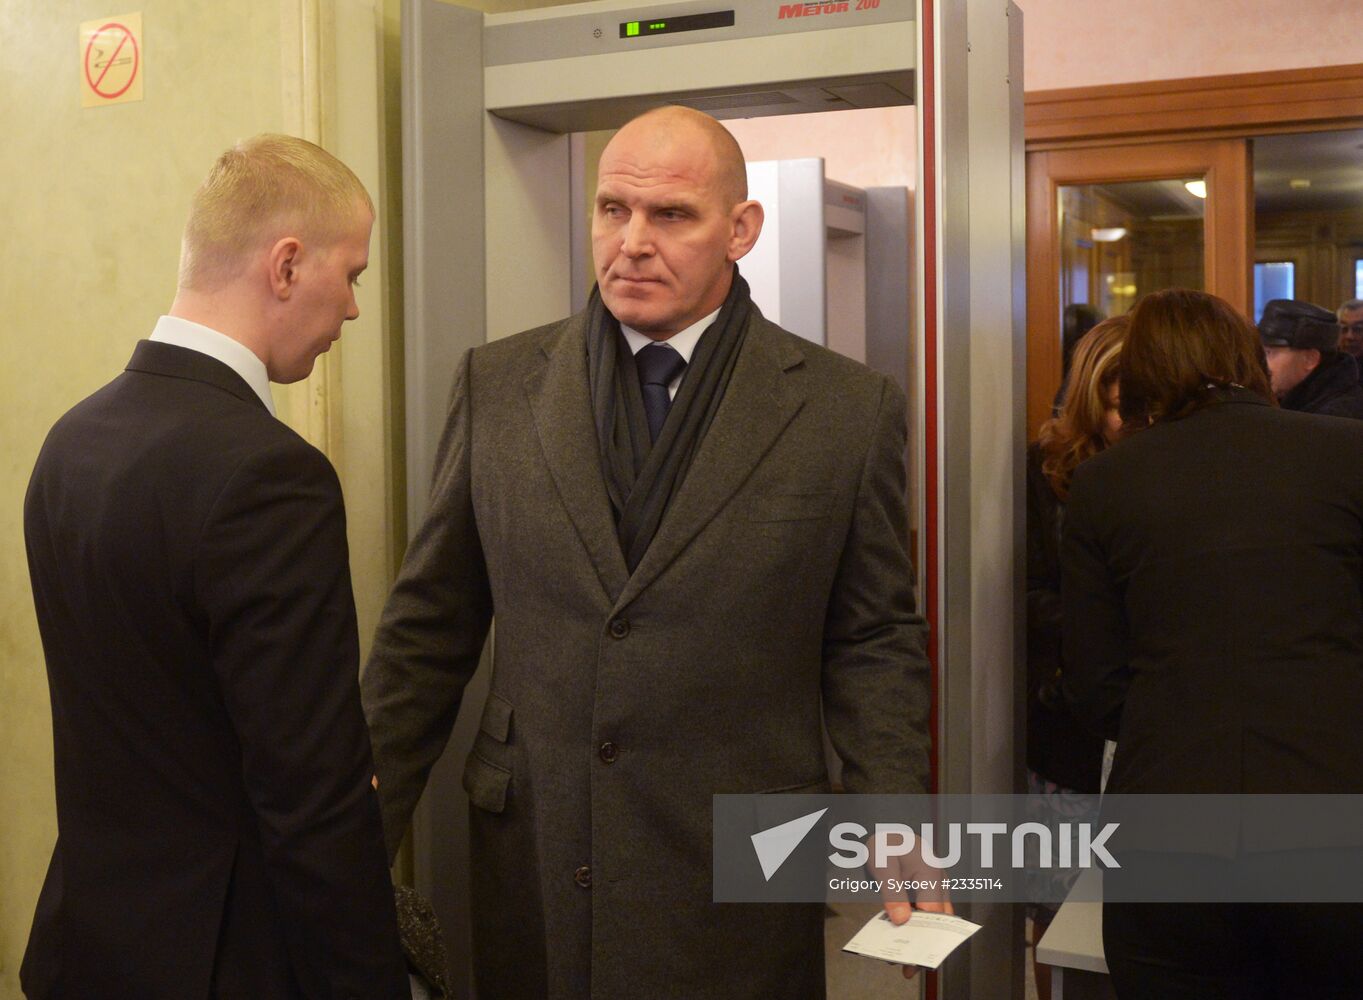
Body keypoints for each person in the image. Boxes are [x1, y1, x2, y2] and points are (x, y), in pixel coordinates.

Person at [361, 106, 933, 999]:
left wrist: (894, 814)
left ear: (739, 229)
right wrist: (356, 822)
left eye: (669, 216)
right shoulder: (498, 385)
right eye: (611, 210)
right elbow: (429, 625)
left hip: (738, 852)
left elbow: (870, 639)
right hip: (540, 838)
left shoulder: (841, 411)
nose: (630, 242)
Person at [20, 135, 409, 999]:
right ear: (285, 266)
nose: (350, 308)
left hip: (85, 949)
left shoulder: (70, 443)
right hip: (227, 962)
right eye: (350, 274)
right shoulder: (271, 476)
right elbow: (310, 798)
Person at [1061, 288, 1363, 998]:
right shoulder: (1348, 452)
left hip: (1166, 823)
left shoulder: (1103, 483)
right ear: (1245, 358)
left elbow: (1096, 689)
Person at [1025, 314, 1126, 997]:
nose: (1139, 420)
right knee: (1058, 919)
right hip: (1068, 736)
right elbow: (1028, 594)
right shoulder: (1047, 472)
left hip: (1154, 737)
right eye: (1123, 405)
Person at [1259, 297, 1363, 419]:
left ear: (1310, 359)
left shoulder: (1338, 418)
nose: (1261, 362)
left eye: (1269, 353)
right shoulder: (1271, 397)